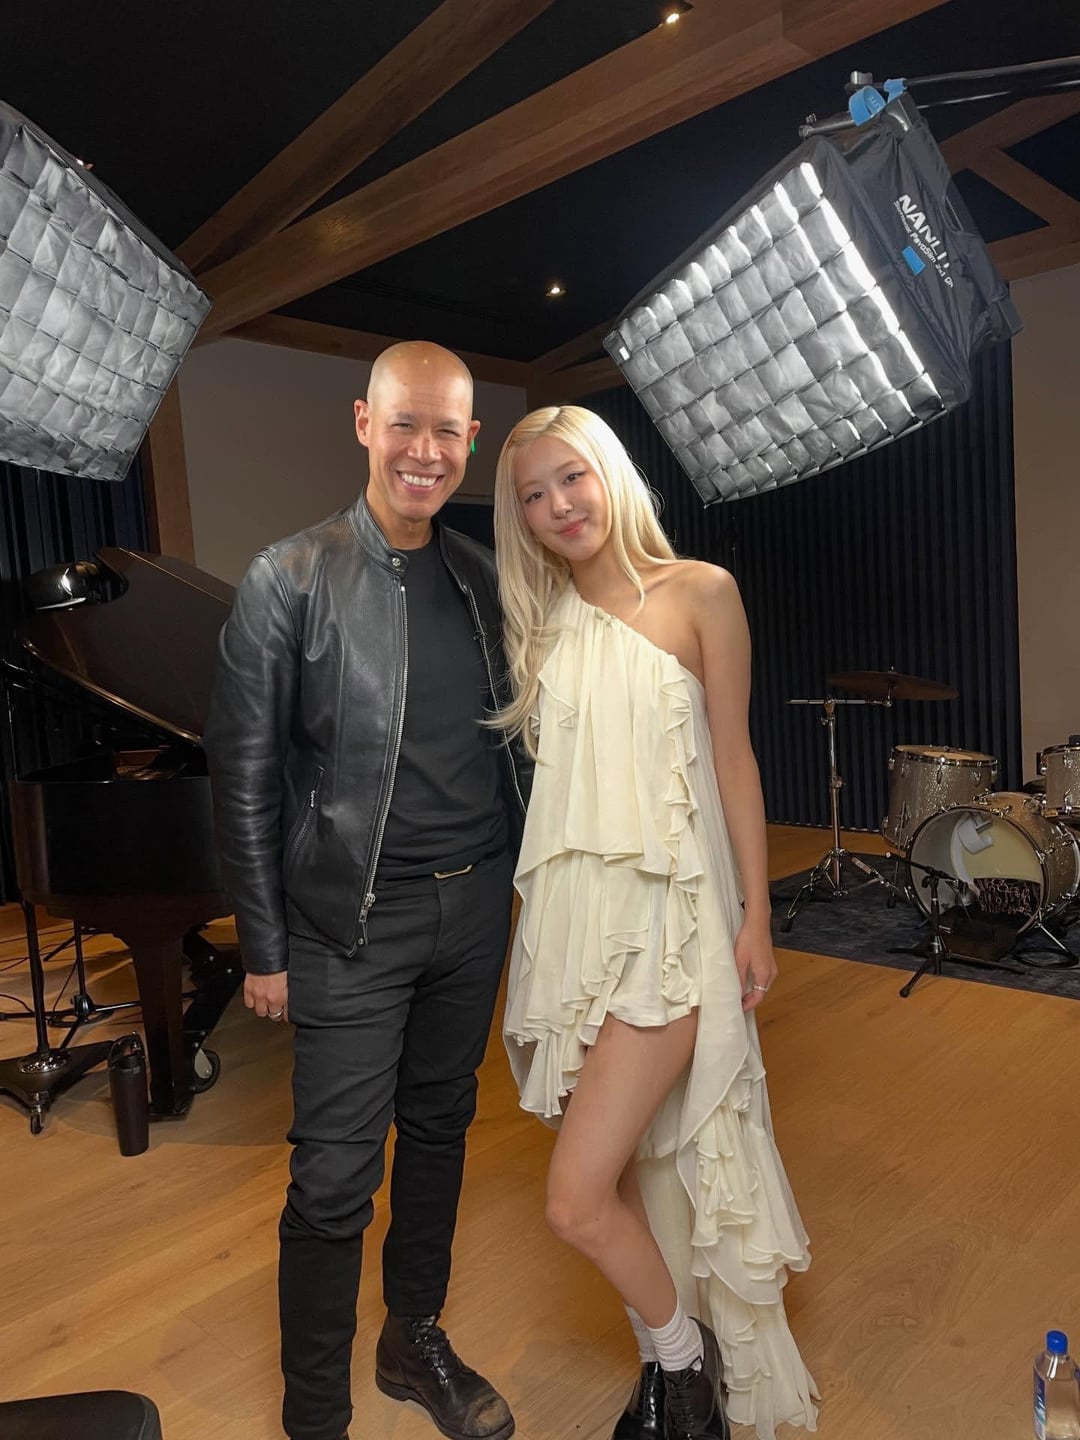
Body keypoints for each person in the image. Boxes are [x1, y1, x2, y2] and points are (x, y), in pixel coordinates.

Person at [204, 341, 529, 1440]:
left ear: (470, 440)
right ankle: (315, 1418)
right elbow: (244, 777)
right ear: (363, 423)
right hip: (350, 924)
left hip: (473, 909)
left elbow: (512, 752)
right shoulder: (288, 578)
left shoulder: (484, 580)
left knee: (440, 1131)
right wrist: (262, 947)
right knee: (335, 1178)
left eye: (446, 431)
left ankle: (411, 1339)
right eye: (404, 424)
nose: (424, 451)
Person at [490, 405, 818, 1440]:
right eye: (533, 496)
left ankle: (686, 1381)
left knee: (573, 1198)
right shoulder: (544, 623)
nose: (557, 507)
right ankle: (667, 1368)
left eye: (571, 478)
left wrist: (757, 915)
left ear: (611, 474)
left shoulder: (701, 593)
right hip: (578, 936)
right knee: (629, 1174)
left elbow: (734, 760)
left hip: (670, 933)